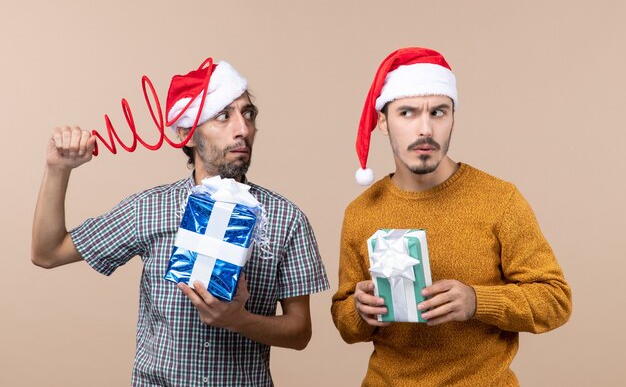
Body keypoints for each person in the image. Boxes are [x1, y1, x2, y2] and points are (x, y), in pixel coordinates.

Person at [32, 58, 329, 387]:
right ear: (187, 133)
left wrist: (238, 319)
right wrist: (58, 170)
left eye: (248, 114)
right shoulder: (151, 209)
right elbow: (48, 252)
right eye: (223, 116)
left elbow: (300, 332)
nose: (242, 129)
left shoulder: (286, 219)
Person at [330, 47, 572, 387]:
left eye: (438, 112)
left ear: (453, 118)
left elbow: (555, 300)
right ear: (383, 121)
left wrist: (477, 301)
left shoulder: (499, 199)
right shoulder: (361, 211)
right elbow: (344, 321)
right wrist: (360, 311)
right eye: (408, 113)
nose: (425, 129)